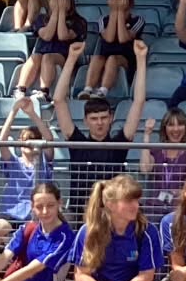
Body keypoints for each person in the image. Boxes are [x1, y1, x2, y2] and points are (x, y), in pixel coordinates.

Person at [52, 39, 149, 212]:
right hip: (81, 215)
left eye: (103, 118)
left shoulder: (119, 144)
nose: (99, 123)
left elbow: (139, 103)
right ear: (86, 121)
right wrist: (71, 58)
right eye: (94, 118)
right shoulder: (77, 143)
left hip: (112, 214)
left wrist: (141, 60)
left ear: (111, 118)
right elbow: (59, 101)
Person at [0, 97, 55, 245]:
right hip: (12, 214)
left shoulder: (45, 161)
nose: (29, 143)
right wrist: (14, 111)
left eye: (33, 139)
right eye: (25, 139)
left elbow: (49, 139)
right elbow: (2, 141)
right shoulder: (13, 163)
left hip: (42, 213)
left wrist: (32, 113)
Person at [13, 0, 86, 96]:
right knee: (35, 57)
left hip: (64, 56)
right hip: (42, 52)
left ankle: (44, 91)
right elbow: (46, 35)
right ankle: (20, 89)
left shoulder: (78, 21)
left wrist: (61, 12)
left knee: (48, 57)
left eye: (62, 0)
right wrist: (54, 14)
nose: (58, 3)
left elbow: (63, 35)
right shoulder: (41, 19)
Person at [82, 0, 145, 97]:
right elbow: (109, 38)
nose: (118, 2)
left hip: (126, 58)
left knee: (113, 59)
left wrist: (120, 12)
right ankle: (87, 90)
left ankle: (103, 91)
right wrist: (114, 12)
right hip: (105, 54)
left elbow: (123, 38)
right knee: (96, 58)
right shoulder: (103, 19)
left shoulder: (137, 20)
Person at [139, 108, 186, 215]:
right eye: (171, 125)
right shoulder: (157, 150)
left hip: (180, 207)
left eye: (180, 124)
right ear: (164, 128)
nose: (176, 129)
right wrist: (147, 135)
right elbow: (145, 168)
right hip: (155, 207)